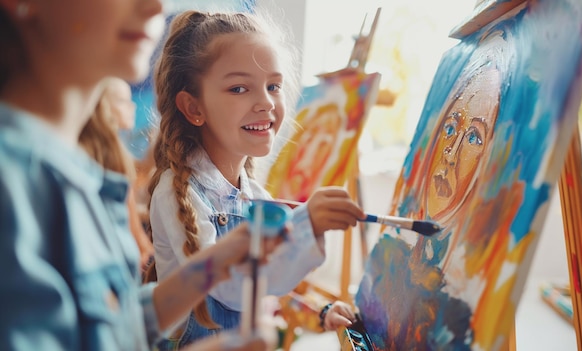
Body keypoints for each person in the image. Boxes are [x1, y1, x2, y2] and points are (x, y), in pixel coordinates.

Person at [0, 1, 281, 350]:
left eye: (274, 86)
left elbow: (112, 329)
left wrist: (211, 266)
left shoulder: (80, 174)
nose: (155, 6)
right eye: (239, 87)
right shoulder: (12, 183)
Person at [148, 10, 366, 349]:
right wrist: (307, 225)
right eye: (238, 88)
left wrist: (317, 311)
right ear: (194, 108)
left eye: (273, 86)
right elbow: (230, 290)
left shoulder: (254, 195)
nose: (266, 102)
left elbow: (262, 288)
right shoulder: (178, 194)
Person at [79, 77, 155, 271]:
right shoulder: (112, 157)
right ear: (103, 106)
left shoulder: (106, 151)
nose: (132, 107)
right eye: (123, 101)